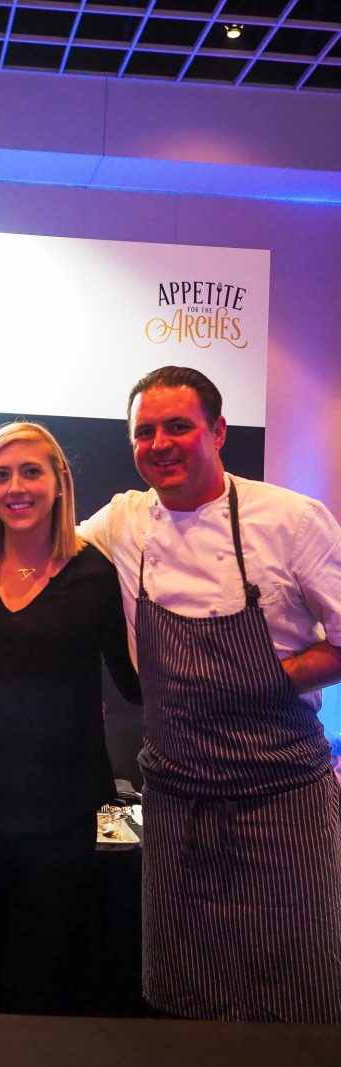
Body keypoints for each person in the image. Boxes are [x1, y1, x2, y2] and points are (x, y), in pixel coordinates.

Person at [78, 365, 341, 1023]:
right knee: (184, 992)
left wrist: (271, 676)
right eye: (145, 432)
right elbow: (41, 559)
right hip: (176, 799)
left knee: (298, 987)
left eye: (178, 427)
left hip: (283, 795)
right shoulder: (124, 519)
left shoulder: (291, 519)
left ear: (218, 431)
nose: (159, 444)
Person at [0, 421, 141, 1015]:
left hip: (61, 816)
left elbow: (134, 682)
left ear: (60, 482)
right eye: (1, 475)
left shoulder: (95, 573)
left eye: (31, 472)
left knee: (48, 983)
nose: (16, 488)